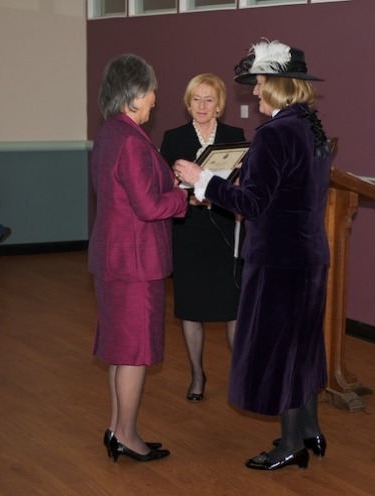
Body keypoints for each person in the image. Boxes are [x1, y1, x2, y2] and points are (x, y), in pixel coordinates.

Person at [173, 40, 331, 471]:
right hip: (311, 257)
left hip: (280, 262)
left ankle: (290, 445)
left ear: (278, 86)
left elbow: (254, 205)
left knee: (281, 351)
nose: (255, 93)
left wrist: (202, 178)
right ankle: (311, 430)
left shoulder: (276, 134)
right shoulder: (311, 127)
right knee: (302, 347)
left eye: (260, 84)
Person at [88, 54, 188, 463]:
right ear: (133, 95)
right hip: (134, 263)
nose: (154, 99)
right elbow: (147, 206)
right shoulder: (131, 140)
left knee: (120, 349)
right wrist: (182, 195)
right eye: (150, 91)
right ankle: (127, 435)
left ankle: (116, 428)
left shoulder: (110, 132)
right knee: (134, 354)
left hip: (114, 258)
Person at [160, 73, 245, 402]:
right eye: (196, 99)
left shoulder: (234, 136)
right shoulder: (174, 137)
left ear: (220, 105)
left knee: (233, 308)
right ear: (188, 103)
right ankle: (197, 374)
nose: (202, 105)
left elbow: (242, 181)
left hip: (224, 229)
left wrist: (230, 192)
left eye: (209, 99)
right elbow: (167, 184)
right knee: (191, 308)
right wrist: (189, 196)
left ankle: (240, 375)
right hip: (189, 229)